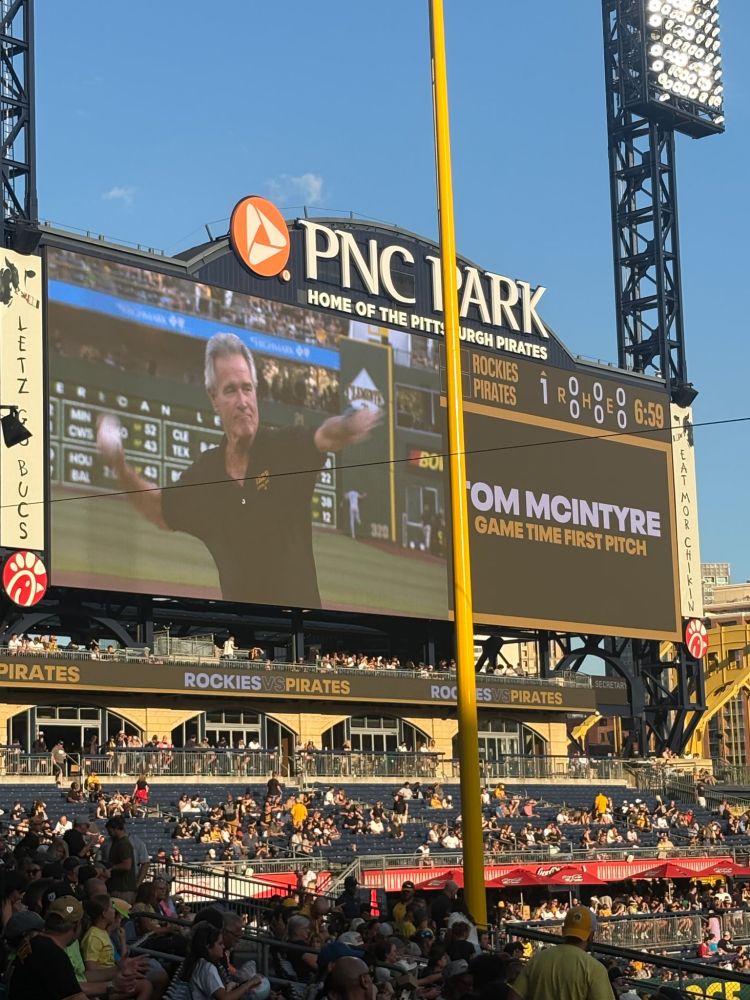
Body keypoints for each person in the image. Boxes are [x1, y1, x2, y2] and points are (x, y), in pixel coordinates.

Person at [96, 333, 381, 606]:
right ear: (213, 399)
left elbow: (325, 436)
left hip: (301, 637)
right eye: (231, 390)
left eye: (247, 388)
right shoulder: (205, 474)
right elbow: (159, 509)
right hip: (243, 637)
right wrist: (120, 466)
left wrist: (347, 426)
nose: (243, 401)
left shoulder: (285, 448)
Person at [509, 906, 612, 1000]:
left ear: (563, 931)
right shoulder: (595, 969)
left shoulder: (537, 960)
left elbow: (514, 997)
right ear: (591, 935)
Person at [180, 922, 262, 1000]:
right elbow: (225, 998)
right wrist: (250, 983)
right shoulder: (207, 968)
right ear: (208, 947)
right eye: (220, 944)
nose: (223, 947)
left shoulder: (199, 963)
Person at [103, 817, 136, 902]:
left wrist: (111, 868)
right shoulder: (117, 842)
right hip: (118, 887)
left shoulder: (123, 844)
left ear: (116, 828)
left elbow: (127, 865)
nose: (109, 833)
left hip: (122, 890)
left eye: (110, 831)